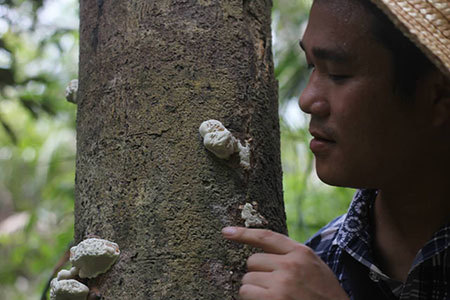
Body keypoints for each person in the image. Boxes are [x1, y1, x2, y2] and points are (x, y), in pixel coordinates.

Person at [222, 0, 450, 299]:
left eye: (338, 74)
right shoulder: (318, 261)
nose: (306, 99)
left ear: (437, 97)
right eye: (312, 67)